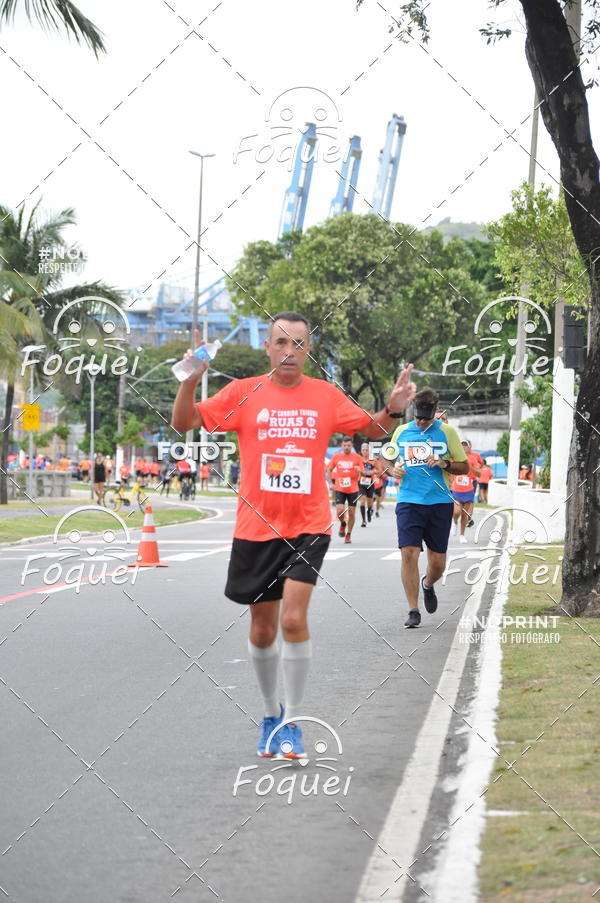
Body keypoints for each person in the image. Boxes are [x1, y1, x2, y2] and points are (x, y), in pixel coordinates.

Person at [171, 311, 416, 758]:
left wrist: (394, 407)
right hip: (256, 527)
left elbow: (372, 427)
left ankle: (293, 722)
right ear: (268, 347)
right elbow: (184, 422)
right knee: (263, 630)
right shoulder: (243, 393)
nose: (289, 351)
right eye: (281, 343)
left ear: (308, 351)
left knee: (293, 620)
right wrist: (190, 379)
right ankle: (270, 713)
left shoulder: (324, 396)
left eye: (298, 344)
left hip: (309, 525)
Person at [390, 386, 469, 628]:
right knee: (409, 553)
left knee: (438, 564)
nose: (422, 423)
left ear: (435, 413)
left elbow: (464, 467)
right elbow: (388, 456)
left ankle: (428, 584)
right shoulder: (402, 432)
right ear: (413, 413)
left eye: (427, 419)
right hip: (408, 501)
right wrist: (393, 468)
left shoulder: (447, 433)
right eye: (419, 418)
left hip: (439, 502)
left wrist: (444, 463)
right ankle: (413, 610)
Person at [327, 437, 363, 544]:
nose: (346, 447)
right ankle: (343, 523)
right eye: (344, 445)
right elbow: (329, 469)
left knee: (351, 513)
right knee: (339, 511)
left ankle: (348, 534)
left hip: (353, 488)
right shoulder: (336, 456)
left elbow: (363, 470)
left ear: (351, 446)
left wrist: (359, 470)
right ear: (342, 446)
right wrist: (330, 482)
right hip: (340, 488)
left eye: (348, 445)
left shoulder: (357, 457)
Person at [358, 442, 379, 527]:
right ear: (361, 450)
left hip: (370, 483)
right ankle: (363, 521)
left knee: (370, 503)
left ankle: (369, 511)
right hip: (360, 482)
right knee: (362, 501)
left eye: (367, 450)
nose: (365, 451)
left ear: (369, 450)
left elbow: (378, 470)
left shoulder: (373, 460)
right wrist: (359, 471)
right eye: (363, 450)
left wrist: (372, 472)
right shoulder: (358, 459)